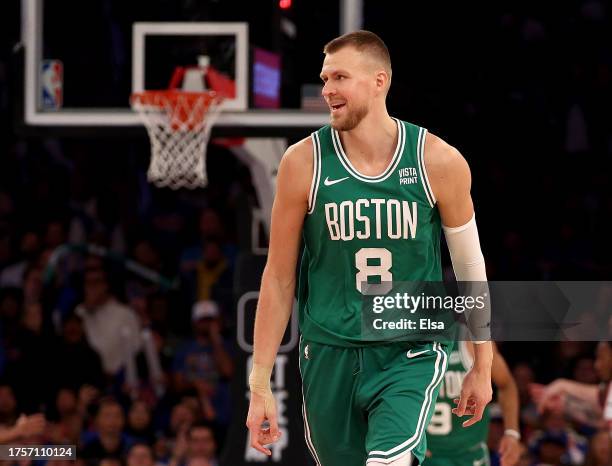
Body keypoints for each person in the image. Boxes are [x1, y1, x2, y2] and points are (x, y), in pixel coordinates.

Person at [246, 30, 493, 466]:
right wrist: (260, 382)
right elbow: (279, 276)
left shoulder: (438, 160)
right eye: (324, 79)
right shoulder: (302, 163)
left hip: (408, 350)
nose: (327, 90)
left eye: (340, 77)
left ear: (380, 81)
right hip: (327, 350)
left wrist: (482, 365)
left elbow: (471, 266)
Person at [425, 342, 521, 466]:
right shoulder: (408, 343)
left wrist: (512, 433)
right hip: (425, 454)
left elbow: (506, 385)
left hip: (469, 455)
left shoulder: (471, 342)